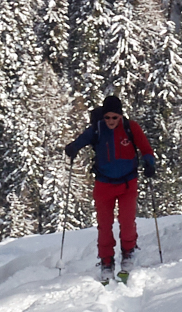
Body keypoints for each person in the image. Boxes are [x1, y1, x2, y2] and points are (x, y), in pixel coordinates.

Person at [61, 94, 156, 280]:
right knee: (104, 226)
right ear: (103, 116)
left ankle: (128, 251)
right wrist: (72, 148)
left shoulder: (130, 127)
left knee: (127, 221)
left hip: (128, 183)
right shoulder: (97, 130)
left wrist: (149, 163)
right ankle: (106, 260)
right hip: (104, 184)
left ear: (120, 116)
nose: (111, 121)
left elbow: (146, 148)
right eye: (107, 117)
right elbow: (81, 140)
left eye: (114, 117)